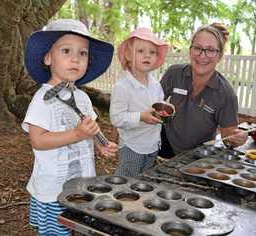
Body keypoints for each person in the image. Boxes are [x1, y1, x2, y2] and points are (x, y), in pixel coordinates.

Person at [22, 19, 118, 235]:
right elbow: (37, 140)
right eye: (66, 50)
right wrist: (76, 134)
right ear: (48, 58)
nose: (76, 58)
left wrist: (101, 143)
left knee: (78, 225)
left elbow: (89, 125)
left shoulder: (82, 97)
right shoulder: (42, 99)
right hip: (53, 189)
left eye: (82, 53)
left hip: (81, 181)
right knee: (57, 231)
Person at [159, 23, 247, 158]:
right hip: (164, 145)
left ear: (219, 56)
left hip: (198, 156)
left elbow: (228, 138)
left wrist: (237, 138)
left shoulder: (226, 94)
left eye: (211, 50)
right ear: (190, 50)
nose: (202, 55)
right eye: (197, 48)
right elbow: (153, 103)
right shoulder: (174, 73)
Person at [109, 27, 168, 177]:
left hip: (153, 144)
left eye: (152, 52)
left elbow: (158, 107)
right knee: (126, 180)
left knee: (144, 181)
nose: (147, 55)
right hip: (132, 145)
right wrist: (141, 116)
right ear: (128, 55)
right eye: (140, 51)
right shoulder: (123, 86)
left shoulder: (156, 85)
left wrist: (165, 109)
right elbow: (116, 118)